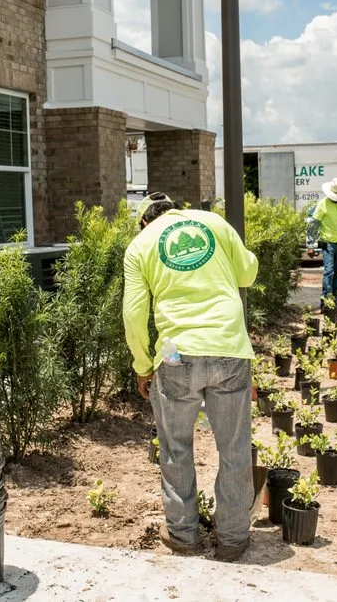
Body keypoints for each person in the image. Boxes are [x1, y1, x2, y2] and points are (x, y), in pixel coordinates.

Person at [122, 192, 259, 562]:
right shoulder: (214, 223)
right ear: (175, 210)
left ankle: (184, 535)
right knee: (234, 447)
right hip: (229, 347)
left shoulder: (141, 244)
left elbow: (134, 314)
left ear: (144, 222)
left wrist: (142, 365)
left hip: (175, 353)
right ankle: (233, 538)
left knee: (175, 446)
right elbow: (247, 272)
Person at [309, 177, 337, 306]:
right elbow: (314, 225)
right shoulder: (323, 204)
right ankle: (326, 299)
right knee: (329, 272)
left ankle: (336, 298)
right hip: (328, 243)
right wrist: (311, 245)